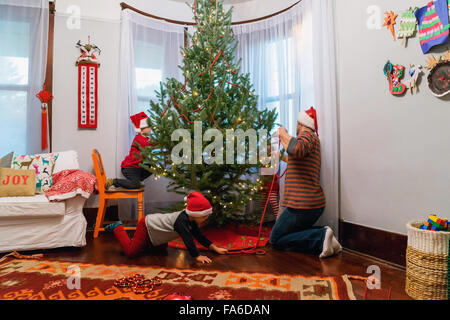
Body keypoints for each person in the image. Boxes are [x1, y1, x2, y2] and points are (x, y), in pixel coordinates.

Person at [270, 107, 342, 258]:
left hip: (302, 205)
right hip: (307, 204)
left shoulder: (307, 135)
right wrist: (278, 154)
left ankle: (320, 236)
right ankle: (329, 240)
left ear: (300, 124)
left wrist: (282, 133)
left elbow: (297, 149)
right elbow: (294, 156)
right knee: (286, 235)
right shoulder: (310, 139)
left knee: (275, 239)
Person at [105, 192, 228, 264]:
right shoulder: (182, 221)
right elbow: (188, 239)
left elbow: (199, 236)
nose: (206, 218)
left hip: (156, 231)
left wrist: (214, 248)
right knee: (130, 253)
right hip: (147, 225)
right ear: (196, 214)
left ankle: (137, 244)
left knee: (159, 250)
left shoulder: (190, 219)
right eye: (204, 216)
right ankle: (118, 227)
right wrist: (196, 256)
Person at [105, 112, 153, 190]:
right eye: (148, 127)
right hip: (130, 168)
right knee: (135, 185)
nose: (150, 128)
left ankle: (137, 180)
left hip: (137, 167)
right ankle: (114, 181)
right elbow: (149, 144)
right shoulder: (139, 138)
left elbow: (150, 143)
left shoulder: (146, 139)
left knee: (154, 167)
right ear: (141, 129)